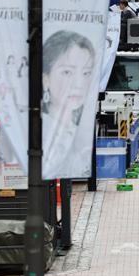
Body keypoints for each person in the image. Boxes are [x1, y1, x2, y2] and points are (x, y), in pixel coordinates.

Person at [42, 30, 96, 178]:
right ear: (45, 79)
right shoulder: (38, 132)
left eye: (86, 73)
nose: (78, 84)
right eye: (67, 72)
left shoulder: (80, 131)